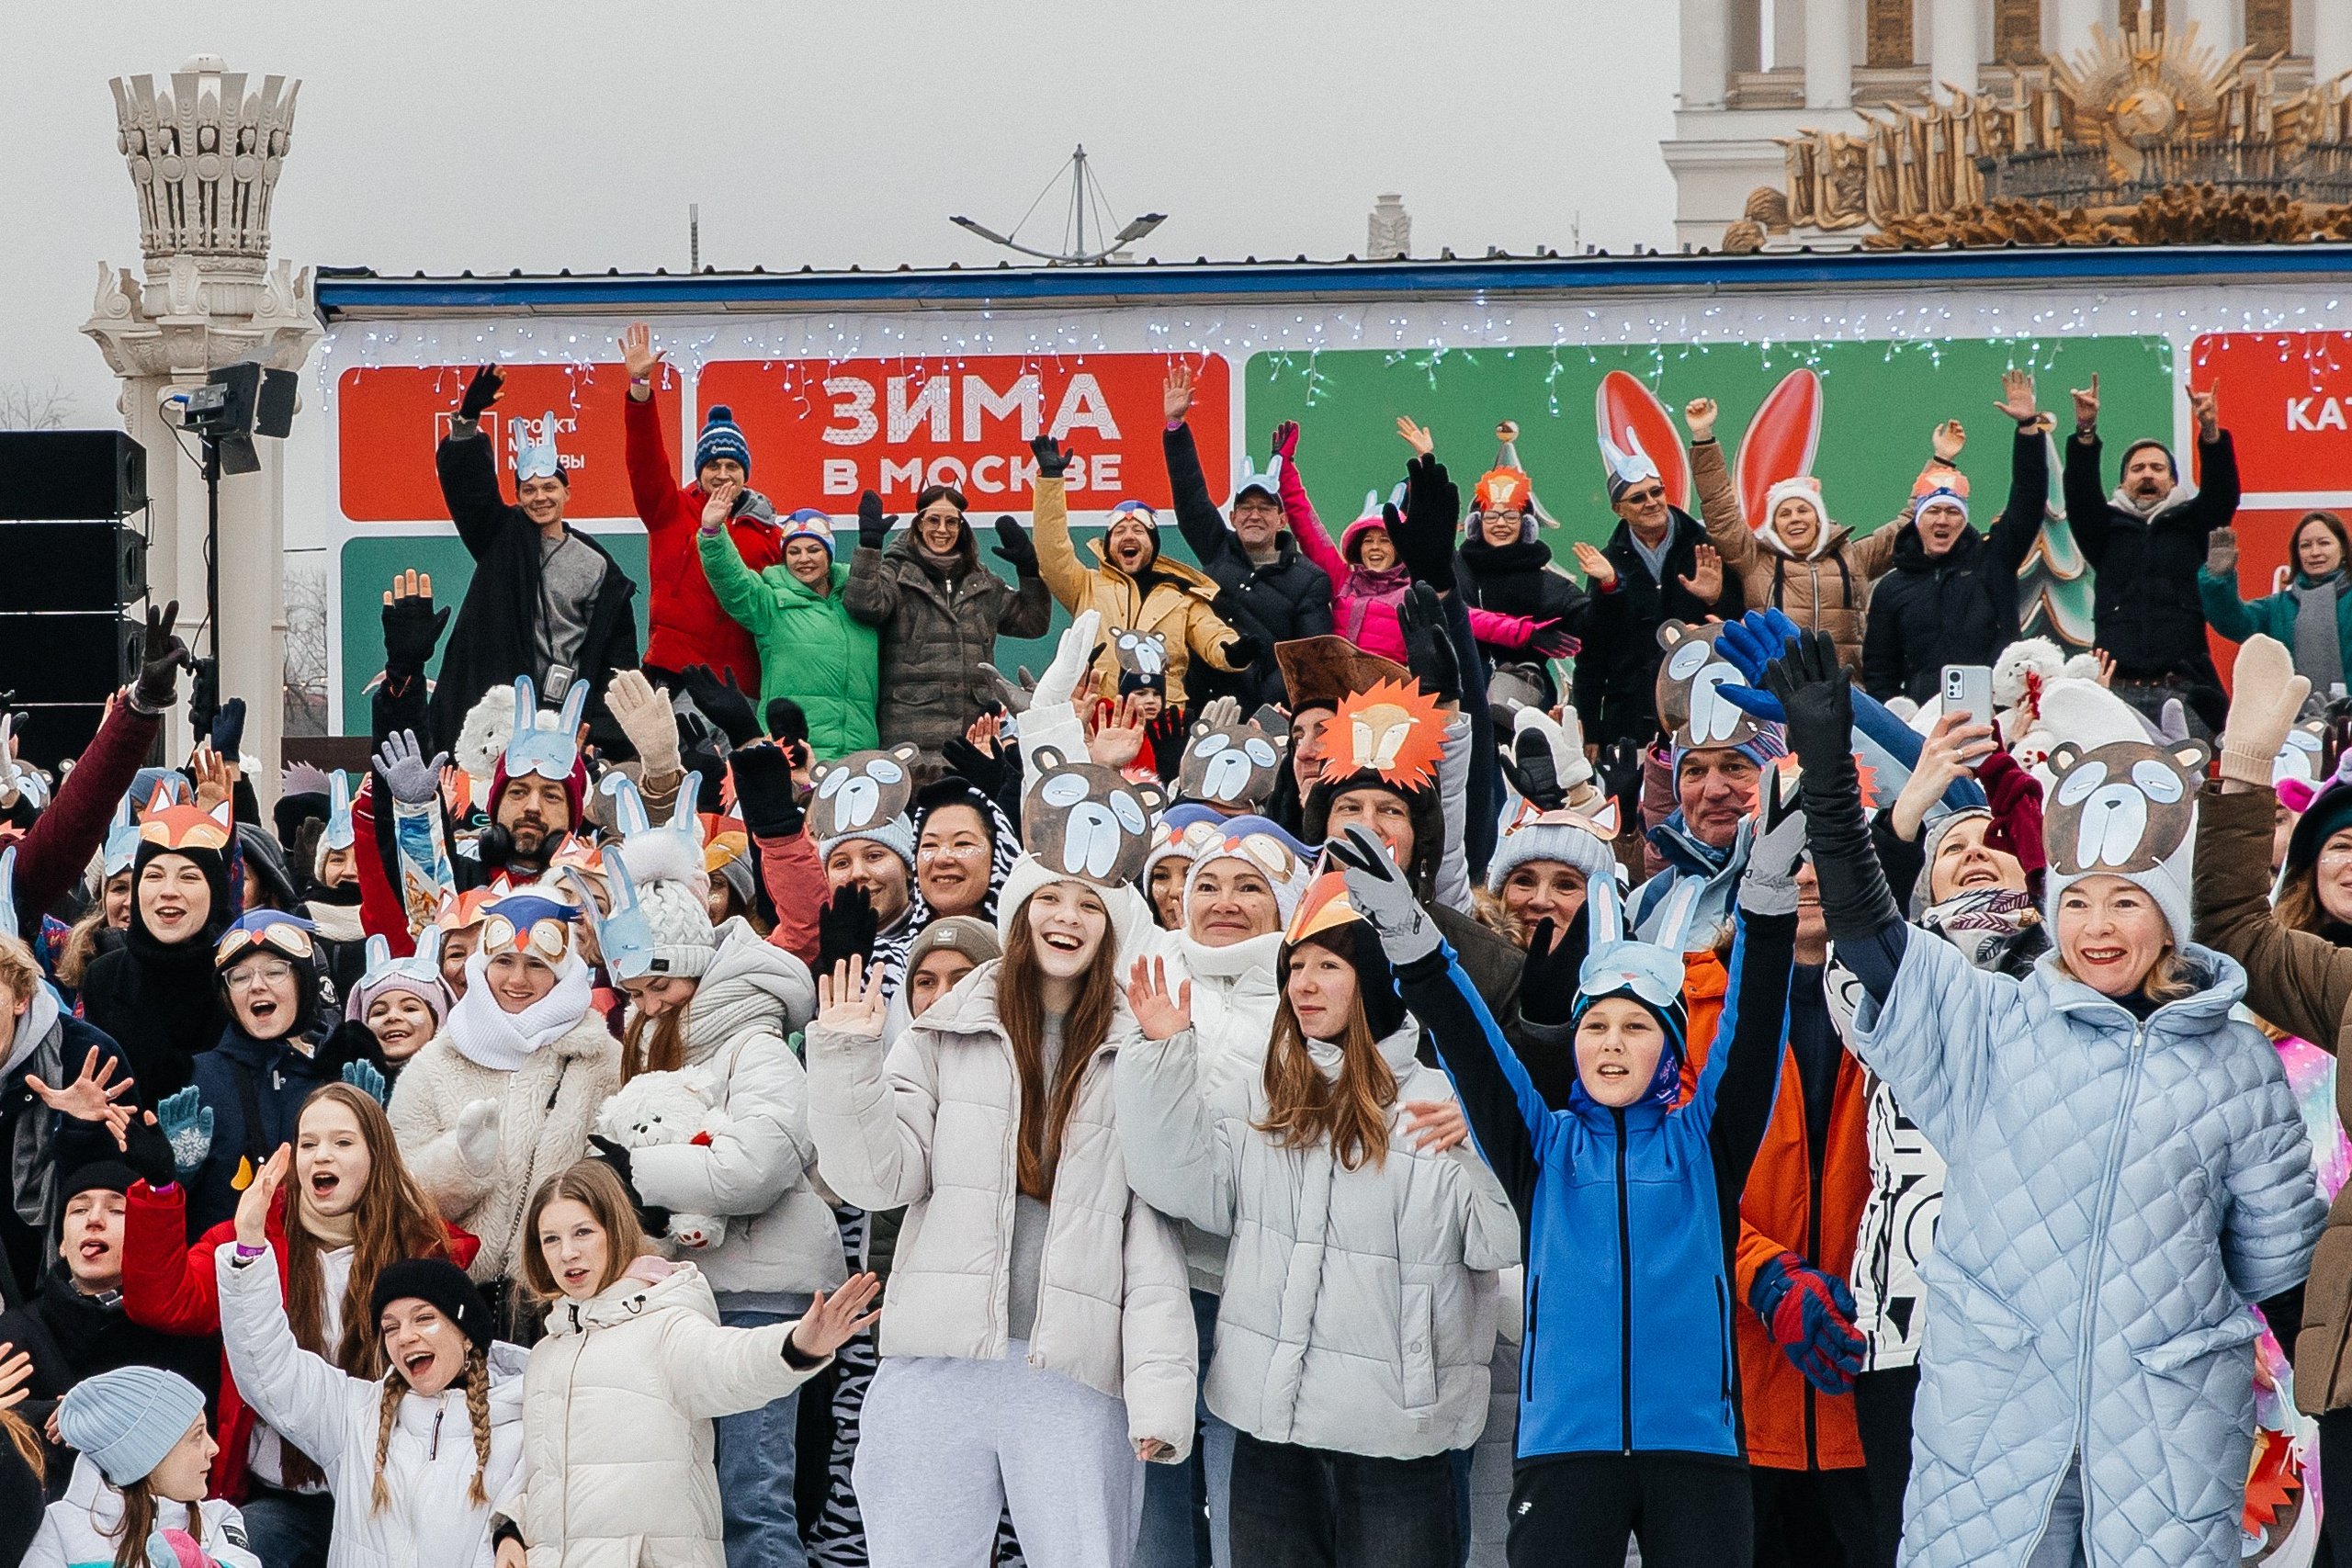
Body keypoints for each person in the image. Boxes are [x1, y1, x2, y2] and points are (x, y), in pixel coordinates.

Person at [1769, 624, 2324, 1568]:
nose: (2098, 928)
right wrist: (1828, 775)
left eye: (2124, 902)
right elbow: (1871, 945)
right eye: (2076, 901)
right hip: (1992, 1449)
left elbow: (2286, 1284)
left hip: (2165, 1457)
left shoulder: (2233, 1063)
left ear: (2167, 917)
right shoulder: (1993, 1022)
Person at [1338, 759, 1801, 1566]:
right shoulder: (1541, 1144)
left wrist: (1763, 904)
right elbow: (1472, 1041)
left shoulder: (1705, 1142)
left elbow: (1753, 1028)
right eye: (1596, 1027)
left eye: (1636, 1027)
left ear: (1669, 1048)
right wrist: (1409, 938)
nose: (1611, 1043)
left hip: (1696, 1453)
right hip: (1564, 1453)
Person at [805, 807, 1197, 1568]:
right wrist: (847, 1052)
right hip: (937, 1362)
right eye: (1051, 897)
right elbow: (876, 1177)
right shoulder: (945, 1029)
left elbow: (1153, 1239)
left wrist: (1158, 1397)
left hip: (1074, 1376)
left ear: (1113, 929)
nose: (1067, 917)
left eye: (1090, 904)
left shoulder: (1140, 1044)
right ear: (1020, 912)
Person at [1117, 843, 1518, 1568]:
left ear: (1377, 981)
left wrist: (1488, 1137)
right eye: (1295, 965)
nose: (1304, 982)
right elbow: (1184, 1189)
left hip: (1399, 1436)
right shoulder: (1268, 1100)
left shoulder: (1440, 1100)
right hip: (1273, 1431)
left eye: (1328, 965)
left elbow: (1500, 1243)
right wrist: (1162, 1058)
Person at [566, 836, 837, 1568]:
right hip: (681, 1297)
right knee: (693, 1502)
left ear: (692, 968)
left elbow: (760, 1162)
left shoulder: (754, 1045)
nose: (647, 1007)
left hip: (760, 1292)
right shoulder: (661, 1055)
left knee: (752, 1497)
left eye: (659, 987)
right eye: (633, 995)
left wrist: (635, 1171)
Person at [119, 1081, 472, 1568]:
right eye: (309, 1144)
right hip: (282, 1495)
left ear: (378, 1156)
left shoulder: (423, 1248)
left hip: (389, 1487)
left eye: (343, 1143)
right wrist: (160, 1189)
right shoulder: (251, 1235)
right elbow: (164, 1301)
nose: (321, 1156)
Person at [494, 1160, 877, 1568]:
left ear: (615, 1231)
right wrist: (513, 1531)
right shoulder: (547, 1354)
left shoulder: (665, 1324)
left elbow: (730, 1362)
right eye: (550, 1239)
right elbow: (547, 1476)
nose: (567, 1252)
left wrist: (799, 1344)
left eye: (583, 1232)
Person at [2191, 632, 2352, 1535]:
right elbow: (2230, 931)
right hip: (2323, 1333)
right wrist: (2245, 770)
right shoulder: (2329, 986)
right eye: (2338, 843)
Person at [214, 1167, 523, 1568]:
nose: (405, 1336)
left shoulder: (524, 1420)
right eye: (390, 1327)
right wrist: (250, 1250)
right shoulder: (354, 1415)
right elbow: (268, 1369)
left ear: (467, 1333)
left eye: (424, 1318)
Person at [383, 893, 618, 1325]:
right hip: (458, 1296)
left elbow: (616, 1185)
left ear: (563, 974)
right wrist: (463, 1163)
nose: (517, 979)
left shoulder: (602, 1060)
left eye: (536, 965)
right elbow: (399, 1193)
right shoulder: (436, 1062)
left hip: (568, 1294)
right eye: (504, 961)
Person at [426, 365, 640, 760]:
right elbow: (469, 490)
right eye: (529, 490)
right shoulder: (500, 535)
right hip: (500, 709)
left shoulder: (597, 567)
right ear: (518, 496)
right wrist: (468, 420)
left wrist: (606, 735)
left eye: (549, 487)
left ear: (566, 492)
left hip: (563, 716)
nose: (539, 497)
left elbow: (615, 658)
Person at [1686, 396, 1969, 673]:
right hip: (1781, 692)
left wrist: (1941, 459)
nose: (1795, 519)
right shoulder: (1756, 561)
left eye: (1803, 510)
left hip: (1849, 692)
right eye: (1784, 514)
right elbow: (1720, 510)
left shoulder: (1853, 557)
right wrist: (1703, 437)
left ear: (1819, 518)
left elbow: (1910, 523)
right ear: (1774, 525)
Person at [0, 1161, 215, 1495]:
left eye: (117, 1210)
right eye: (78, 1209)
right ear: (60, 1244)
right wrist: (45, 1417)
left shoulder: (183, 1331)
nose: (94, 1219)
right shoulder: (17, 1331)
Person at [370, 579, 590, 887]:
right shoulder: (457, 886)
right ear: (494, 804)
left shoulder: (598, 899)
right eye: (518, 791)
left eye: (552, 795)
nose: (532, 807)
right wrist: (404, 676)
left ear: (574, 815)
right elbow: (411, 864)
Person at [2064, 375, 2239, 735]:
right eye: (2137, 468)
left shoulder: (2193, 524)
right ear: (2123, 481)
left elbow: (2223, 494)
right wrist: (2085, 431)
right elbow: (2080, 497)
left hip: (2184, 687)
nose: (2147, 474)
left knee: (2195, 784)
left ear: (2173, 481)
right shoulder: (2105, 530)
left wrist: (2210, 432)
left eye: (2157, 468)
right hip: (2115, 689)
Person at [1860, 383, 2053, 705]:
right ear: (1917, 518)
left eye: (1952, 512)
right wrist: (1899, 717)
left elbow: (2028, 500)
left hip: (1997, 714)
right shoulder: (1892, 588)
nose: (1942, 520)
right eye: (1933, 511)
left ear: (1964, 519)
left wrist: (2028, 431)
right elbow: (1880, 671)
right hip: (1925, 723)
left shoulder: (1994, 561)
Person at [1030, 434, 1255, 710]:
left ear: (1153, 544)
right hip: (1100, 714)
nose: (1129, 536)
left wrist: (1232, 650)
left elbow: (1211, 633)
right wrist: (1051, 480)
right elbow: (1052, 552)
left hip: (1163, 718)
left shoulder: (1181, 595)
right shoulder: (1085, 585)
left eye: (1138, 530)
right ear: (1108, 544)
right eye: (1120, 532)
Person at [622, 322, 784, 693]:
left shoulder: (770, 534)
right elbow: (645, 460)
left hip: (742, 683)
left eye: (732, 466)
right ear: (700, 471)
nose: (722, 474)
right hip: (676, 673)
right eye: (713, 466)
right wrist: (640, 388)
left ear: (745, 473)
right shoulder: (669, 510)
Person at [843, 481, 1052, 761]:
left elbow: (1033, 623)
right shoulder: (895, 573)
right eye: (933, 520)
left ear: (961, 527)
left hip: (975, 738)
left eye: (951, 522)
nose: (942, 530)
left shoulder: (985, 583)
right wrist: (869, 546)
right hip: (908, 737)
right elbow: (863, 605)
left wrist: (1029, 570)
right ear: (918, 524)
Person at [1161, 368, 1333, 708]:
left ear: (1282, 519)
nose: (1255, 515)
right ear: (1233, 517)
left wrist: (1262, 705)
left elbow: (1308, 656)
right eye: (1246, 507)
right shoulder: (1216, 547)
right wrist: (1176, 427)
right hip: (1202, 705)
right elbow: (1190, 494)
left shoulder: (1310, 580)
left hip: (1267, 714)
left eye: (1265, 508)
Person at [1571, 424, 1741, 750]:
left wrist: (1717, 598)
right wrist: (1591, 729)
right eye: (1637, 498)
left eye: (1656, 492)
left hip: (1704, 709)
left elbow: (1739, 624)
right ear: (1618, 509)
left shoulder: (1704, 548)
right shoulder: (1606, 564)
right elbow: (1592, 655)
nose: (1651, 502)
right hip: (1631, 720)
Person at [175, 914, 345, 1235]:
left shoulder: (335, 1072)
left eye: (275, 970)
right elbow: (167, 1213)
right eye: (239, 976)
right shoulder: (199, 1078)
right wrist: (178, 1172)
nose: (257, 985)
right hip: (224, 1268)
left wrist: (371, 1130)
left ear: (304, 982)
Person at [1, 919, 141, 1304]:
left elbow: (123, 1185)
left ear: (20, 999)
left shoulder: (85, 1055)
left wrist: (82, 1130)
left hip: (74, 1287)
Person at [699, 485, 881, 760]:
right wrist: (712, 534)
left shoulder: (860, 604)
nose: (804, 559)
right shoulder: (770, 602)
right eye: (794, 552)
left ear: (829, 555)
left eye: (813, 550)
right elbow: (732, 581)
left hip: (858, 755)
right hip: (793, 757)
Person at [80, 793, 237, 1110]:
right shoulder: (105, 978)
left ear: (215, 893)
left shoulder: (237, 974)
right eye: (153, 875)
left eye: (189, 877)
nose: (168, 892)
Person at [28, 1366, 264, 1568]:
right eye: (197, 1435)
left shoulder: (219, 1518)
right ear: (144, 1456)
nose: (214, 1448)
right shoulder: (59, 1527)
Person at [1441, 425, 1587, 705]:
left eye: (1511, 517)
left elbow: (1590, 623)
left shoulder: (1545, 581)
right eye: (1492, 516)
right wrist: (1528, 634)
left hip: (1525, 697)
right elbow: (1454, 616)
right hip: (1461, 693)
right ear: (1475, 524)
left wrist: (1608, 586)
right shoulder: (1456, 569)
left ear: (1526, 527)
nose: (1501, 524)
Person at [2200, 510, 2352, 699]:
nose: (2315, 552)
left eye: (2324, 543)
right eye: (2305, 546)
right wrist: (2217, 579)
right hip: (2296, 721)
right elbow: (2234, 623)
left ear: (2343, 549)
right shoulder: (2278, 608)